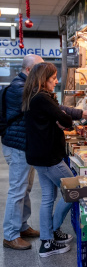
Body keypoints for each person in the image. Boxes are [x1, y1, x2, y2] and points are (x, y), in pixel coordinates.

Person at [22, 62, 87, 257]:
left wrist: (60, 118)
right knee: (75, 190)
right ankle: (49, 236)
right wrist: (62, 120)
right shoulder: (42, 98)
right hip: (49, 157)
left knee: (49, 197)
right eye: (53, 78)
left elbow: (60, 115)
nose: (56, 81)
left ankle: (48, 239)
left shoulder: (33, 96)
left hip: (39, 155)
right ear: (43, 80)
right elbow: (65, 120)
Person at [1, 54, 44, 250]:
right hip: (17, 147)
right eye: (40, 70)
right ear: (28, 71)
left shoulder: (26, 86)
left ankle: (22, 226)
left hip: (25, 146)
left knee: (25, 188)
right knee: (17, 190)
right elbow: (42, 108)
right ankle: (10, 235)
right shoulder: (19, 89)